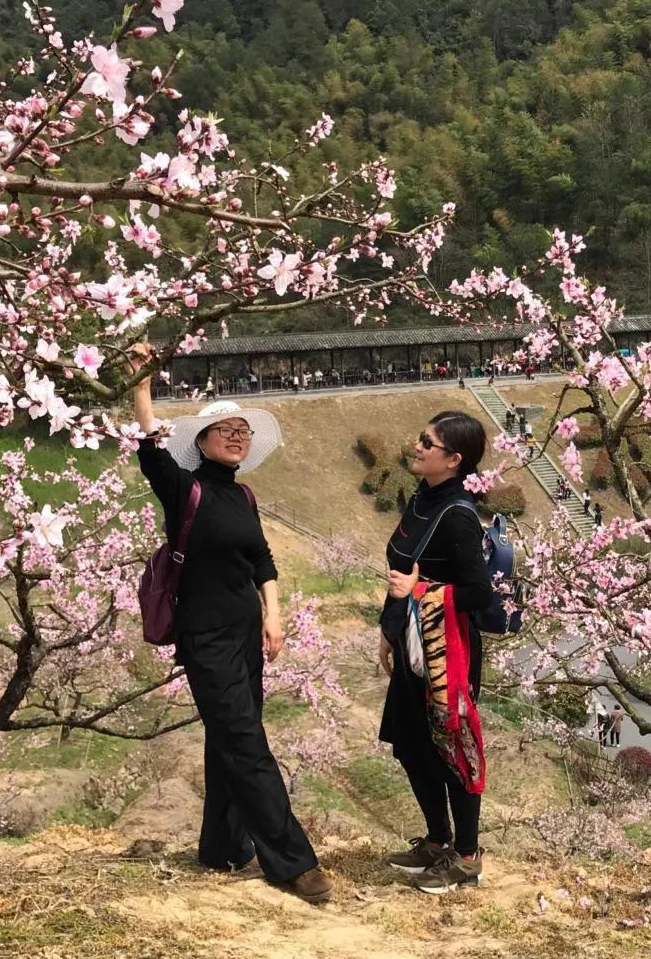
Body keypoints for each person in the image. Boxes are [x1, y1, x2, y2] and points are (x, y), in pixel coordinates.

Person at [129, 347, 332, 904]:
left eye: (243, 429)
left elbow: (261, 558)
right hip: (204, 635)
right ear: (201, 440)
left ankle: (222, 848)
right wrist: (142, 391)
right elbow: (151, 456)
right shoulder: (185, 489)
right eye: (225, 428)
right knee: (246, 741)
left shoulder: (242, 495)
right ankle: (291, 861)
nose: (237, 436)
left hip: (245, 631)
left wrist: (273, 613)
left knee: (229, 740)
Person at [379, 411, 494, 894]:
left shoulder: (459, 515)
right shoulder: (424, 499)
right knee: (410, 744)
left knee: (452, 752)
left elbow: (479, 592)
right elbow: (399, 572)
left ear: (453, 459)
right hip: (411, 644)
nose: (417, 445)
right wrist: (386, 629)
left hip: (447, 652)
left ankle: (466, 857)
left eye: (427, 442)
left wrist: (421, 590)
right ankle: (436, 839)